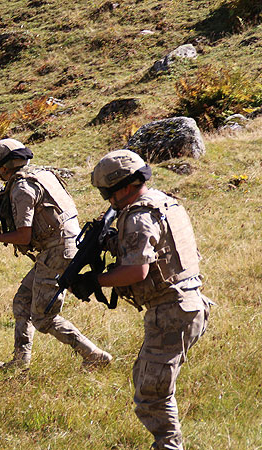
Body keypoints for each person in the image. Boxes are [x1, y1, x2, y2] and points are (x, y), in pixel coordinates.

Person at [72, 149, 212, 450]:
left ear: (123, 187)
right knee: (145, 378)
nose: (107, 200)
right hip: (187, 304)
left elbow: (137, 270)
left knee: (151, 392)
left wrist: (94, 281)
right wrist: (110, 240)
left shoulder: (138, 216)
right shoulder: (163, 202)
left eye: (107, 193)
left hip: (173, 310)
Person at [0, 138, 112, 369]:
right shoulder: (44, 175)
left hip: (57, 252)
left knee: (44, 317)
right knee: (22, 301)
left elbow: (23, 236)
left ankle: (93, 354)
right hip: (65, 246)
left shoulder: (22, 188)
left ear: (3, 167)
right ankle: (20, 361)